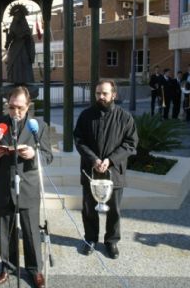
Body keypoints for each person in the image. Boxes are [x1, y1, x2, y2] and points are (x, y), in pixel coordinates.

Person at [0, 86, 52, 288]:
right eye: (11, 107)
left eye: (20, 107)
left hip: (28, 184)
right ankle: (7, 266)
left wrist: (34, 155)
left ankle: (35, 269)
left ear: (28, 105)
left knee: (31, 230)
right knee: (6, 229)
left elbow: (48, 155)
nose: (15, 112)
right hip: (3, 184)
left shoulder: (38, 125)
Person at [74, 80, 138, 259]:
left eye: (104, 93)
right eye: (97, 93)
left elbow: (131, 144)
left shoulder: (125, 118)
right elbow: (79, 140)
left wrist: (110, 160)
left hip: (114, 172)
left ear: (114, 95)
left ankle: (111, 241)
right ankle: (90, 239)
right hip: (90, 169)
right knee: (88, 208)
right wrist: (93, 159)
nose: (100, 97)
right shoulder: (86, 115)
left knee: (114, 209)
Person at [5, 4, 35, 85]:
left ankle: (24, 80)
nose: (17, 17)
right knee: (14, 63)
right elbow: (10, 36)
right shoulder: (13, 25)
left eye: (19, 15)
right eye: (16, 15)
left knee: (23, 62)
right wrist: (7, 39)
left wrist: (25, 36)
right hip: (15, 47)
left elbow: (28, 36)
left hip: (23, 47)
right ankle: (15, 80)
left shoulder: (25, 25)